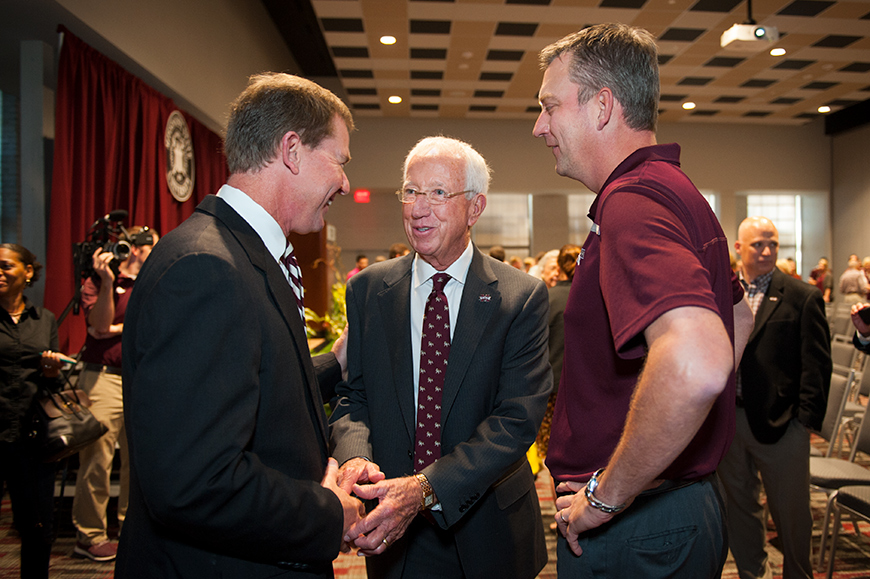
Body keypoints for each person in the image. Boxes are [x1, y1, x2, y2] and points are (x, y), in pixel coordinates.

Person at [117, 73, 367, 577]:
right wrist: (328, 513)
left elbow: (245, 382)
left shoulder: (235, 254)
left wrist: (332, 366)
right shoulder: (206, 270)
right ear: (292, 150)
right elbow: (196, 483)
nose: (344, 182)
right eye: (339, 161)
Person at [532, 23, 753, 577]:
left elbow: (698, 362)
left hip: (636, 527)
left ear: (601, 106)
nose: (540, 127)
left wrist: (607, 495)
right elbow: (739, 316)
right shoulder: (673, 188)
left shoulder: (632, 202)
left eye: (549, 107)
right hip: (671, 508)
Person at [330, 136, 551, 579]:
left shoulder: (519, 297)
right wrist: (355, 456)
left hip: (489, 530)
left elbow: (515, 420)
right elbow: (354, 395)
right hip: (395, 534)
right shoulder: (369, 290)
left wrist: (426, 488)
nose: (418, 207)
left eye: (437, 193)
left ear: (475, 207)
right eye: (411, 191)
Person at [718, 216, 831, 579]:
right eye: (757, 244)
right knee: (739, 509)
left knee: (791, 514)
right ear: (739, 248)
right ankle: (755, 574)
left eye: (773, 244)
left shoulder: (802, 296)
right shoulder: (721, 294)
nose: (766, 251)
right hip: (731, 423)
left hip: (782, 425)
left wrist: (804, 422)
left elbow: (816, 365)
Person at [71, 225, 157, 563]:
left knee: (138, 459)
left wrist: (115, 330)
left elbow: (152, 323)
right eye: (148, 245)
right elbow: (100, 323)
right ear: (134, 248)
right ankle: (89, 536)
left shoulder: (151, 281)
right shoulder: (97, 281)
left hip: (141, 379)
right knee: (98, 459)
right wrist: (108, 281)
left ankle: (130, 528)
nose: (152, 250)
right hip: (103, 379)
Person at [0, 244, 66, 579]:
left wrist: (52, 373)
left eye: (5, 266)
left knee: (37, 527)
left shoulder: (45, 320)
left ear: (27, 272)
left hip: (30, 439)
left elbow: (51, 389)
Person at [537, 243, 581, 460]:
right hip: (584, 387)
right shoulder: (592, 295)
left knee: (552, 451)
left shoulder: (546, 298)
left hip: (551, 387)